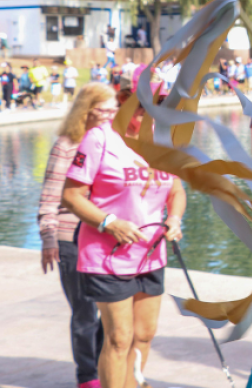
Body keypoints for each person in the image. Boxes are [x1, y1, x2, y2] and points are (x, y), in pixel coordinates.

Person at [62, 78, 185, 388]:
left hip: (151, 255)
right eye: (144, 107)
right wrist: (110, 223)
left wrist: (175, 219)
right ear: (125, 100)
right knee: (119, 337)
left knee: (144, 335)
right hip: (107, 258)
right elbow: (72, 196)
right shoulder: (99, 139)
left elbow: (177, 191)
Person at [39, 83, 115, 388]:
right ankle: (88, 376)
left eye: (114, 110)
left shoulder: (113, 142)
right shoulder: (67, 144)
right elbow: (49, 195)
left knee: (110, 310)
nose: (110, 115)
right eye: (104, 109)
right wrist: (48, 237)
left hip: (104, 237)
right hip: (72, 237)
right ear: (87, 109)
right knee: (84, 311)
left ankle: (105, 365)